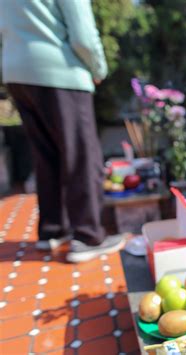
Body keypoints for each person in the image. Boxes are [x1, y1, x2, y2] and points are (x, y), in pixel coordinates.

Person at [0, 0, 124, 262]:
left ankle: (52, 230)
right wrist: (98, 68)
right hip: (60, 70)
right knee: (82, 155)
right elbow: (83, 35)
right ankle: (89, 236)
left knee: (46, 155)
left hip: (16, 71)